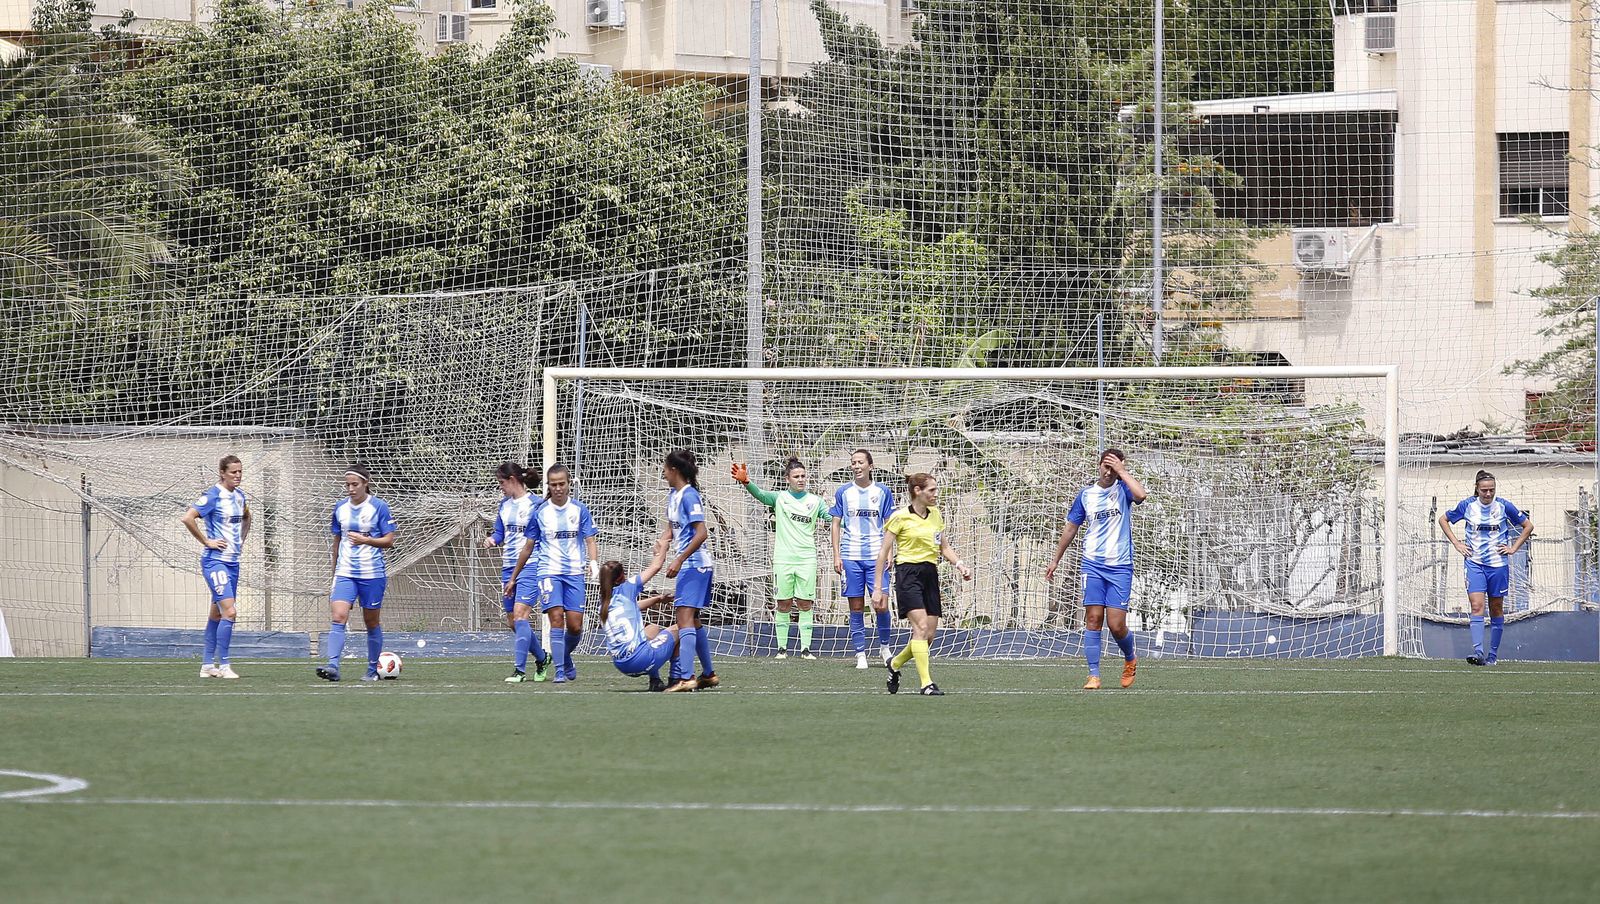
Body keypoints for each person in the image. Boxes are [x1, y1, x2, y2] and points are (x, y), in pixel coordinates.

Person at [1044, 449, 1149, 690]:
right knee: (1093, 619)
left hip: (1120, 566)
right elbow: (1071, 528)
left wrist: (1122, 471)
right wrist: (1055, 560)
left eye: (1114, 467)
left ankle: (1130, 658)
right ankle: (1093, 675)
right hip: (1092, 564)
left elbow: (1141, 495)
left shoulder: (1123, 490)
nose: (1109, 472)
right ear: (1099, 466)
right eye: (1106, 466)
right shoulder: (1086, 495)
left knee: (1116, 625)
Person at [873, 473, 972, 696]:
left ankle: (895, 664)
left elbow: (944, 547)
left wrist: (960, 565)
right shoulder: (900, 517)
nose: (936, 494)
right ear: (917, 491)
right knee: (920, 628)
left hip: (930, 574)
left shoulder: (935, 514)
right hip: (908, 574)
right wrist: (878, 588)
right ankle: (926, 683)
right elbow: (883, 552)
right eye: (932, 490)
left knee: (928, 636)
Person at [734, 457, 831, 660]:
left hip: (807, 559)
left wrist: (850, 518)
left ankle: (806, 649)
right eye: (796, 476)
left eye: (803, 476)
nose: (801, 479)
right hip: (783, 559)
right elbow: (761, 495)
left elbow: (832, 517)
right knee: (784, 603)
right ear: (787, 479)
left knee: (805, 603)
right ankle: (782, 649)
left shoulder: (815, 501)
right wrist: (746, 482)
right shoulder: (779, 498)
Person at [513, 464, 599, 683]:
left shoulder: (579, 510)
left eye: (562, 484)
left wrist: (593, 562)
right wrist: (515, 576)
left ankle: (565, 656)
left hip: (574, 573)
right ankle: (559, 671)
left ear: (569, 484)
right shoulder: (540, 512)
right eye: (554, 485)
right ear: (548, 486)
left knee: (575, 625)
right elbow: (528, 547)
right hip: (548, 572)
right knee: (556, 618)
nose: (558, 488)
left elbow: (590, 539)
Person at [1438, 470, 1533, 666]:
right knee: (1476, 606)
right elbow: (1443, 519)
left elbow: (1528, 526)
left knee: (1496, 607)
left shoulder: (1504, 506)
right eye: (1484, 490)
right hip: (1474, 563)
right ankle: (1478, 652)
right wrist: (1456, 543)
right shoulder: (1467, 505)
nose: (1488, 494)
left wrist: (1513, 548)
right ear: (1477, 489)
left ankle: (1492, 656)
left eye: (1491, 490)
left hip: (1498, 565)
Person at [316, 465, 398, 682]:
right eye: (347, 485)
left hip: (372, 573)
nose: (351, 489)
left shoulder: (378, 507)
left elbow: (389, 540)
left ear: (365, 484)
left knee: (371, 622)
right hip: (345, 573)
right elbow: (337, 540)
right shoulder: (340, 508)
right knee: (338, 616)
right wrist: (334, 572)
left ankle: (372, 670)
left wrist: (366, 540)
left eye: (355, 484)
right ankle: (333, 666)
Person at [650, 449, 718, 693]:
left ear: (674, 470)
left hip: (696, 565)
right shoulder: (673, 495)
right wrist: (662, 542)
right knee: (693, 620)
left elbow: (702, 533)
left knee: (683, 618)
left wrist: (679, 559)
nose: (663, 473)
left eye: (665, 469)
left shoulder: (690, 496)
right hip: (691, 566)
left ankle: (686, 677)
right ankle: (708, 674)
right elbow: (672, 528)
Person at [180, 454, 251, 679]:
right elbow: (188, 518)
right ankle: (225, 665)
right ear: (222, 473)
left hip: (233, 563)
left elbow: (247, 517)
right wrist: (207, 541)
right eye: (233, 472)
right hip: (215, 561)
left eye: (240, 472)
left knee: (217, 613)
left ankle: (207, 665)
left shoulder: (239, 496)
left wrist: (241, 541)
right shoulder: (213, 495)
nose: (238, 476)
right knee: (230, 612)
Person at [831, 449, 896, 669]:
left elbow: (890, 524)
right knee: (856, 606)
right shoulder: (843, 492)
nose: (856, 466)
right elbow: (836, 524)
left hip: (877, 557)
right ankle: (860, 653)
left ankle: (885, 648)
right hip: (851, 557)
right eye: (853, 462)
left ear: (870, 466)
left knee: (881, 604)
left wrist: (890, 552)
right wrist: (837, 555)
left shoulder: (883, 491)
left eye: (860, 462)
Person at [485, 462, 550, 683]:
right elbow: (499, 533)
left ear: (512, 480)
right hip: (508, 567)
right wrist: (492, 540)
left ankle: (519, 671)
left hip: (531, 564)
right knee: (514, 622)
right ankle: (542, 658)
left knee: (521, 615)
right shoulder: (504, 505)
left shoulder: (536, 504)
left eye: (501, 482)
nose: (500, 487)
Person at [598, 559, 678, 691]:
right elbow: (656, 565)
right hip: (641, 661)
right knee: (682, 627)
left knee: (653, 628)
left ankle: (655, 681)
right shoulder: (627, 587)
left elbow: (633, 607)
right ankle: (677, 679)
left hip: (622, 666)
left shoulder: (603, 604)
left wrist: (657, 599)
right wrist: (662, 549)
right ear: (620, 577)